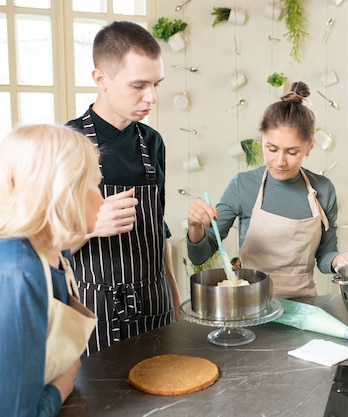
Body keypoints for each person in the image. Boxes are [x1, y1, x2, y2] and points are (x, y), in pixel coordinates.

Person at [66, 21, 180, 355]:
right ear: (100, 78)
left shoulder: (152, 142)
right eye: (139, 85)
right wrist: (90, 228)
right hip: (93, 310)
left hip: (154, 303)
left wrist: (173, 296)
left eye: (156, 84)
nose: (152, 97)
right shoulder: (68, 144)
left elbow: (158, 228)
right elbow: (39, 248)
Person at [187, 81, 348, 298]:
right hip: (250, 304)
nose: (280, 161)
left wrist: (338, 261)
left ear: (310, 147)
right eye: (272, 149)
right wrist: (195, 227)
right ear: (262, 141)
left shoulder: (323, 189)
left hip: (304, 304)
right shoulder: (243, 186)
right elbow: (201, 255)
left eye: (292, 152)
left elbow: (325, 254)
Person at [0, 124, 103, 416]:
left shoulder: (55, 252)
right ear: (64, 192)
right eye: (94, 185)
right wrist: (64, 383)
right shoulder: (18, 274)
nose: (102, 199)